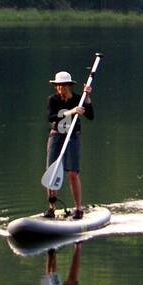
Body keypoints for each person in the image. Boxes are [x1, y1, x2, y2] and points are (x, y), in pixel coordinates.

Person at [45, 68, 94, 217]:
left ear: (69, 86)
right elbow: (51, 117)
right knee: (52, 171)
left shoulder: (78, 99)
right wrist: (70, 112)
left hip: (72, 136)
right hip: (56, 136)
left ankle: (78, 209)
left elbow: (90, 116)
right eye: (59, 86)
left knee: (72, 172)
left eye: (64, 85)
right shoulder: (53, 99)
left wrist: (87, 100)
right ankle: (51, 207)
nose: (62, 88)